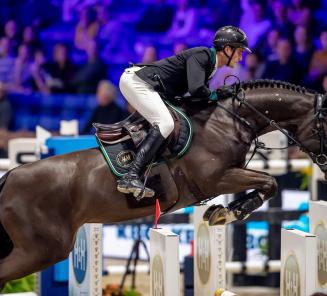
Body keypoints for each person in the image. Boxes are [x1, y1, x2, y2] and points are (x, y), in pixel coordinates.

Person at [117, 26, 251, 199]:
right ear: (227, 49)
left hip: (150, 87)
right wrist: (216, 94)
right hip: (138, 83)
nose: (241, 57)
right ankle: (131, 175)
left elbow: (195, 96)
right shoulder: (203, 55)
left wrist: (215, 95)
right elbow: (196, 90)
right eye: (239, 51)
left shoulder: (211, 65)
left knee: (174, 121)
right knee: (165, 123)